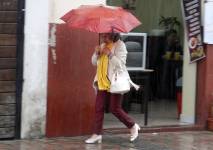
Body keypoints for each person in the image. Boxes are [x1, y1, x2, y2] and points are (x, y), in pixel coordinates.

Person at [85, 33, 140, 144]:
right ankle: (97, 134)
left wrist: (110, 54)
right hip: (102, 81)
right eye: (102, 36)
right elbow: (93, 62)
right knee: (98, 108)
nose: (103, 38)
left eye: (106, 36)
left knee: (114, 108)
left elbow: (121, 65)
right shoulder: (102, 45)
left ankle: (133, 125)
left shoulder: (120, 45)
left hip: (114, 81)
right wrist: (96, 54)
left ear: (113, 35)